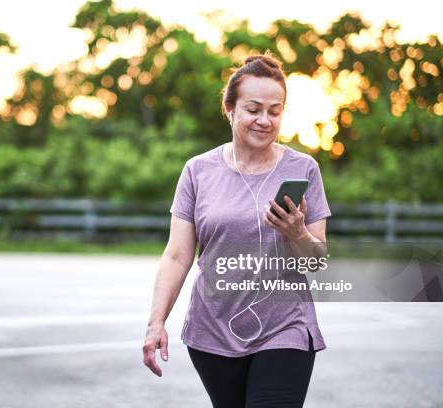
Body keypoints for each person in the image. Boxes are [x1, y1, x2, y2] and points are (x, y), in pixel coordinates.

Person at [142, 52, 332, 407]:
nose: (265, 120)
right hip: (214, 329)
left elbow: (317, 260)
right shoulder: (198, 171)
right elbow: (177, 255)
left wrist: (297, 233)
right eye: (253, 109)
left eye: (275, 111)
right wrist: (156, 322)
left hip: (284, 325)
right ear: (230, 110)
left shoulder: (303, 169)